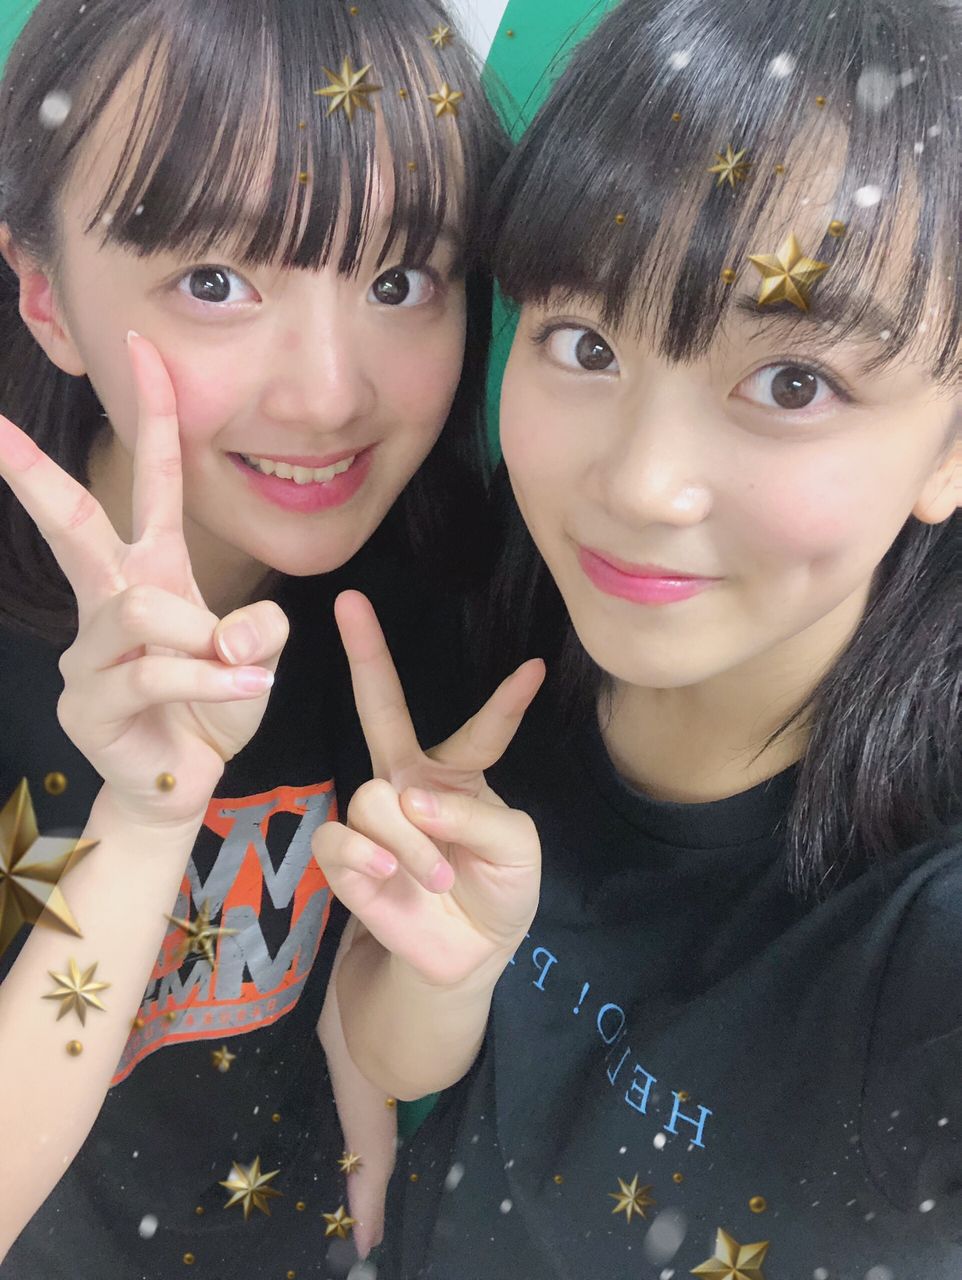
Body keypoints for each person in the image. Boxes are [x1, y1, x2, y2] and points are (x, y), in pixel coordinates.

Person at [315, 0, 962, 1273]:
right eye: (582, 341)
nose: (639, 484)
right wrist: (438, 967)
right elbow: (395, 1053)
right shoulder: (500, 628)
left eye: (792, 382)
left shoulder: (922, 923)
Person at [0, 0, 510, 1273]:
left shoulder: (437, 594)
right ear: (45, 296)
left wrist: (394, 1010)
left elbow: (391, 1016)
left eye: (399, 280)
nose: (329, 394)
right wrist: (145, 816)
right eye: (215, 282)